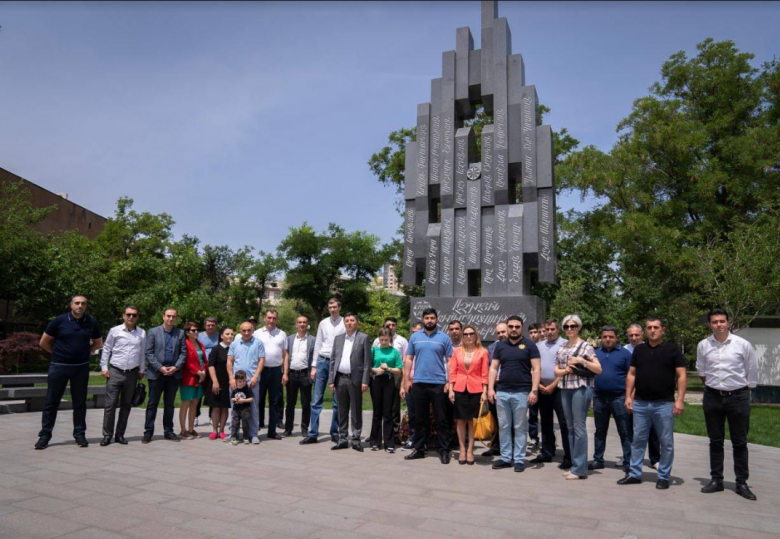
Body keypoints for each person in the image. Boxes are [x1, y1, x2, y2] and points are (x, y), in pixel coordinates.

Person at [697, 308, 758, 500]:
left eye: (722, 321)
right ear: (710, 324)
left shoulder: (743, 344)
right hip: (713, 397)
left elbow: (751, 370)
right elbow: (702, 371)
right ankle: (717, 480)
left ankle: (741, 483)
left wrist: (743, 392)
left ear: (728, 322)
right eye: (715, 322)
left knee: (739, 442)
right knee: (715, 441)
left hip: (738, 397)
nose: (719, 325)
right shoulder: (703, 345)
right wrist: (714, 388)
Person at [618, 316, 686, 490]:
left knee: (666, 442)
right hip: (641, 403)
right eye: (649, 327)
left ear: (662, 330)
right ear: (646, 330)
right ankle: (634, 473)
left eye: (656, 327)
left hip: (664, 404)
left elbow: (681, 375)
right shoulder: (639, 350)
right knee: (637, 440)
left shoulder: (673, 350)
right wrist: (628, 396)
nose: (652, 330)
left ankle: (663, 476)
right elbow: (632, 374)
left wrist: (680, 400)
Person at [36, 295, 103, 450]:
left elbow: (98, 343)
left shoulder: (91, 322)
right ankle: (44, 436)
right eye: (77, 303)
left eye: (83, 303)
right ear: (71, 305)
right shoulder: (59, 321)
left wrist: (85, 352)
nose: (80, 306)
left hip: (81, 368)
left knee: (79, 402)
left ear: (86, 306)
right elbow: (43, 342)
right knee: (52, 402)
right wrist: (57, 353)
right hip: (59, 366)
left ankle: (79, 434)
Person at [488, 316, 541, 472]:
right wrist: (490, 388)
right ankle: (505, 458)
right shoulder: (500, 346)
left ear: (521, 327)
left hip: (521, 392)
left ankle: (518, 459)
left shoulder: (530, 345)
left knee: (519, 427)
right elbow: (493, 368)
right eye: (511, 326)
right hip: (502, 392)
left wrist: (534, 390)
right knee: (504, 426)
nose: (513, 329)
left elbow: (537, 369)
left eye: (517, 327)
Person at [403, 308, 454, 464]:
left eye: (432, 318)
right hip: (419, 383)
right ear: (423, 319)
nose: (429, 320)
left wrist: (449, 382)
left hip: (438, 384)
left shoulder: (444, 338)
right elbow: (409, 359)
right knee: (420, 419)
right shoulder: (415, 337)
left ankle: (444, 450)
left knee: (441, 419)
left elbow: (450, 362)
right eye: (427, 318)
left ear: (436, 319)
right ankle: (419, 448)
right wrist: (406, 380)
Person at [554, 315, 601, 480]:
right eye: (566, 326)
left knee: (579, 427)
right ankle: (575, 465)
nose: (569, 329)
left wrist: (582, 361)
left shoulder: (586, 346)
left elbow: (598, 369)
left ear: (579, 327)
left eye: (573, 326)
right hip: (565, 388)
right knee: (570, 427)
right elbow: (556, 370)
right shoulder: (562, 347)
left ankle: (580, 468)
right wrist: (565, 370)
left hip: (580, 388)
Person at [99, 305, 145, 447]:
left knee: (126, 405)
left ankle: (120, 434)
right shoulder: (115, 331)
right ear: (123, 315)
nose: (131, 317)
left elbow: (142, 352)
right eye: (128, 314)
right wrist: (104, 367)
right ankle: (107, 435)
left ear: (137, 317)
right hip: (115, 372)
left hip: (132, 373)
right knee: (110, 405)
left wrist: (142, 369)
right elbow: (106, 349)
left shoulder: (142, 333)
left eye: (134, 315)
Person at [301, 298, 345, 445]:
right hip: (322, 360)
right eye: (330, 307)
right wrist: (314, 366)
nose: (332, 309)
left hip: (337, 363)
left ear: (339, 307)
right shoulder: (323, 323)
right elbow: (318, 344)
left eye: (335, 307)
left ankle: (334, 432)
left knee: (337, 401)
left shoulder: (344, 323)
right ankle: (313, 433)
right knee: (316, 399)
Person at [529, 319, 572, 469]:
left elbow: (567, 368)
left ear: (558, 329)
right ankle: (547, 452)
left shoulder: (566, 344)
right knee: (545, 422)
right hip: (542, 388)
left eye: (552, 329)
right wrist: (539, 385)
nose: (549, 332)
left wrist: (553, 385)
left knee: (564, 423)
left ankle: (569, 456)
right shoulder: (539, 346)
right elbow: (533, 367)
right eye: (547, 329)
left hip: (560, 388)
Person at [589, 325, 632, 472]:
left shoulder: (625, 354)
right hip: (599, 397)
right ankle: (598, 459)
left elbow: (632, 376)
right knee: (600, 430)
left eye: (611, 337)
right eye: (605, 336)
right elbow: (591, 376)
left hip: (619, 397)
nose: (608, 339)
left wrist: (630, 397)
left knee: (624, 431)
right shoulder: (595, 354)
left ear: (616, 338)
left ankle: (628, 462)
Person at [328, 313, 372, 452]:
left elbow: (367, 362)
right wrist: (331, 380)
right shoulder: (338, 338)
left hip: (355, 379)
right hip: (340, 378)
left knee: (356, 410)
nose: (349, 323)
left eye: (352, 320)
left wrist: (365, 380)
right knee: (341, 410)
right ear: (344, 323)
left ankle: (356, 439)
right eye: (347, 320)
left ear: (357, 322)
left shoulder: (363, 338)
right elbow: (333, 360)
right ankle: (342, 439)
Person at [143, 308, 187, 444]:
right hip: (157, 374)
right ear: (163, 317)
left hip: (173, 375)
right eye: (168, 316)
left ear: (176, 318)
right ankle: (148, 432)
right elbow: (148, 352)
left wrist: (176, 367)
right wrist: (160, 367)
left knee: (169, 404)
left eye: (173, 316)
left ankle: (168, 431)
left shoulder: (180, 333)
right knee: (152, 404)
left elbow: (183, 353)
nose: (171, 318)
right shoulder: (153, 332)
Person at [449, 324, 489, 465]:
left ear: (476, 335)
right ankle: (462, 449)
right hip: (459, 388)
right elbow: (453, 371)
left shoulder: (483, 352)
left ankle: (470, 450)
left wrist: (484, 391)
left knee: (472, 421)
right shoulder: (457, 351)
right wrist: (451, 389)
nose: (468, 336)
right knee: (460, 420)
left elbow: (484, 374)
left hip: (476, 389)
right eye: (465, 334)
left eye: (471, 333)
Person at [625, 323, 661, 469]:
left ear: (642, 334)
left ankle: (655, 459)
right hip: (628, 395)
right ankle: (629, 458)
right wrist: (628, 395)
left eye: (637, 335)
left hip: (646, 395)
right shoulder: (624, 351)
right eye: (631, 335)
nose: (634, 337)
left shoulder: (649, 349)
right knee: (629, 429)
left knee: (652, 429)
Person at [372, 317, 408, 447]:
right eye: (382, 339)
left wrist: (389, 369)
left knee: (389, 411)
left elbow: (400, 367)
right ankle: (375, 441)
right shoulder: (374, 349)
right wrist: (375, 369)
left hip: (390, 380)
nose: (384, 342)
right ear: (379, 339)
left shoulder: (395, 350)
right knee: (377, 411)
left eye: (386, 340)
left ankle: (390, 441)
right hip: (377, 380)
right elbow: (368, 365)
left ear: (390, 339)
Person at [226, 322, 265, 444]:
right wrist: (231, 378)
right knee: (235, 409)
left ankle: (253, 434)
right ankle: (234, 433)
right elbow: (229, 361)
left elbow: (261, 361)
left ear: (253, 331)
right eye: (244, 330)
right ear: (240, 331)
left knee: (253, 408)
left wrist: (255, 376)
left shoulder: (258, 343)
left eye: (249, 330)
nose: (247, 333)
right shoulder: (234, 344)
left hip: (252, 381)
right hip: (237, 382)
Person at [254, 309, 288, 440]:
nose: (271, 320)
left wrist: (285, 373)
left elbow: (285, 355)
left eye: (274, 318)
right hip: (260, 370)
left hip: (275, 371)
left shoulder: (282, 334)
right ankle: (255, 429)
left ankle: (272, 431)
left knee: (274, 401)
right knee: (257, 400)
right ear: (264, 318)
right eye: (269, 317)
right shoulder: (257, 333)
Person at [284, 315, 316, 437]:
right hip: (291, 374)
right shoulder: (289, 339)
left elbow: (315, 356)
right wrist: (285, 373)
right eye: (300, 322)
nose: (302, 324)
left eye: (304, 322)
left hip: (305, 375)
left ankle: (304, 428)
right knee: (290, 403)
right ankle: (288, 428)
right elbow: (285, 356)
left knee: (306, 403)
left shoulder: (313, 340)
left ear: (307, 325)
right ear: (296, 324)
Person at [482, 322, 508, 457]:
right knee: (496, 418)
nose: (501, 335)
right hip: (495, 387)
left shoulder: (515, 345)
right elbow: (486, 367)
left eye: (503, 331)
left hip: (510, 387)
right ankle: (496, 446)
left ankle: (510, 447)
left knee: (510, 419)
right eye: (498, 333)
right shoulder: (491, 348)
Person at [179, 322, 208, 439]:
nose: (196, 332)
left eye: (197, 330)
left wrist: (204, 371)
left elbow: (204, 360)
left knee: (195, 404)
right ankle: (183, 430)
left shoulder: (200, 344)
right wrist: (197, 372)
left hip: (200, 378)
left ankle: (191, 429)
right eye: (193, 330)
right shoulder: (185, 344)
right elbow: (186, 362)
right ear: (187, 333)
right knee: (185, 403)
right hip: (188, 378)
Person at [205, 326, 234, 440]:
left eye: (231, 334)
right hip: (217, 381)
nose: (230, 336)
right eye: (227, 334)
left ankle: (222, 431)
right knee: (216, 407)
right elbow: (211, 366)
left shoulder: (234, 348)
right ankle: (214, 430)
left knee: (225, 407)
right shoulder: (216, 349)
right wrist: (215, 381)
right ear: (221, 336)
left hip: (229, 381)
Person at [401, 321, 424, 450]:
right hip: (409, 384)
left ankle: (422, 440)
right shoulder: (409, 347)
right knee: (412, 413)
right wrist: (403, 384)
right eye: (413, 332)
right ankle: (412, 438)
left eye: (418, 332)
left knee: (422, 415)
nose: (415, 335)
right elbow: (405, 367)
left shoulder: (424, 346)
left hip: (422, 384)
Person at [195, 317, 219, 428]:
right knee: (198, 393)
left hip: (214, 368)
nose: (210, 327)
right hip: (201, 368)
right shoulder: (198, 336)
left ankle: (212, 416)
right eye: (208, 325)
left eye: (213, 325)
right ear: (205, 326)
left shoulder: (219, 336)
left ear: (216, 326)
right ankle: (195, 416)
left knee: (213, 392)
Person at [526, 322, 544, 452]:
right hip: (531, 385)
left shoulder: (544, 347)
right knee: (532, 414)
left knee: (545, 415)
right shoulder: (527, 346)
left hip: (544, 385)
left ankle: (548, 440)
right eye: (531, 333)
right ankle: (533, 438)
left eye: (535, 332)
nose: (533, 335)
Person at [229, 370, 254, 445]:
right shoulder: (235, 389)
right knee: (235, 423)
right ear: (236, 381)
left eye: (244, 381)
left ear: (246, 379)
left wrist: (243, 400)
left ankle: (246, 437)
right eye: (240, 381)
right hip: (236, 409)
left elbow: (251, 399)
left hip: (245, 409)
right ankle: (234, 437)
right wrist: (235, 399)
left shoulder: (247, 388)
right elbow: (232, 398)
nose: (242, 383)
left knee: (245, 423)